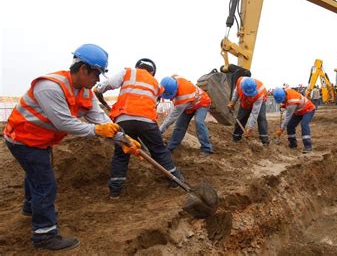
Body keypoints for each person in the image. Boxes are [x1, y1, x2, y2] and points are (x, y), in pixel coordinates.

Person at [2, 44, 141, 251]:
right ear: (84, 69)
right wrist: (96, 131)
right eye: (96, 74)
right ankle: (44, 235)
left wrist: (123, 139)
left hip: (41, 140)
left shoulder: (86, 93)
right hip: (22, 139)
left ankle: (31, 208)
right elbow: (64, 123)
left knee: (37, 174)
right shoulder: (50, 87)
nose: (97, 80)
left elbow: (101, 119)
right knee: (45, 183)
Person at [94, 59, 184, 196]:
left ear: (138, 66)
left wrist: (98, 89)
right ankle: (176, 181)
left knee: (121, 153)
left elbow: (106, 86)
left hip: (124, 119)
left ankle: (115, 191)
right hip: (147, 121)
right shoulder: (156, 84)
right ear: (152, 71)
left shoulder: (128, 72)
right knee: (159, 150)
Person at [159, 75, 213, 155]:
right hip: (189, 105)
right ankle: (170, 148)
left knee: (199, 122)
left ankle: (207, 148)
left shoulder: (183, 97)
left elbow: (172, 118)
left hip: (202, 103)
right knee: (180, 126)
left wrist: (160, 131)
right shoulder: (172, 80)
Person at [227, 76, 270, 145]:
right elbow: (236, 91)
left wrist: (250, 128)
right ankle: (236, 137)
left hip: (259, 102)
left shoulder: (260, 91)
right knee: (241, 118)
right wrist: (233, 101)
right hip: (245, 102)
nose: (250, 96)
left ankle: (264, 140)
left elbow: (254, 113)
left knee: (261, 118)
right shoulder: (240, 82)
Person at [273, 87, 316, 153]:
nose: (282, 102)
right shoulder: (285, 91)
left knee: (304, 124)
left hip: (308, 109)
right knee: (290, 125)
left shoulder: (292, 101)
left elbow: (288, 117)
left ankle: (308, 146)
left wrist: (281, 129)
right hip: (299, 111)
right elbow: (287, 101)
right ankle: (293, 144)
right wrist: (284, 105)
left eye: (282, 100)